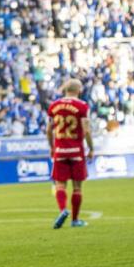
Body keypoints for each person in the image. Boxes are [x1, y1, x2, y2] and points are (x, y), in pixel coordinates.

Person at [46, 78, 93, 228]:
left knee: (60, 185)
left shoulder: (53, 106)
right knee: (77, 187)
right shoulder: (82, 106)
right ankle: (75, 220)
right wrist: (91, 148)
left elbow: (48, 130)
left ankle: (62, 210)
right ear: (79, 90)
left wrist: (51, 146)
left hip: (60, 151)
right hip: (76, 151)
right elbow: (86, 130)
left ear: (65, 90)